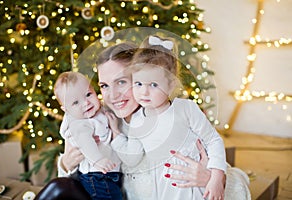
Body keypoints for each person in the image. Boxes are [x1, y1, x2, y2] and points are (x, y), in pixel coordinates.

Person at [36, 41, 250, 200]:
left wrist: (213, 178)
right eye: (104, 86)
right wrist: (65, 163)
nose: (112, 96)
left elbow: (238, 181)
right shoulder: (100, 120)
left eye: (121, 82)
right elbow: (76, 179)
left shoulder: (174, 118)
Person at [110, 35, 226, 200]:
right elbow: (132, 157)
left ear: (171, 85)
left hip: (193, 185)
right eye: (138, 83)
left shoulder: (185, 109)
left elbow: (213, 140)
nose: (144, 92)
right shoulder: (138, 120)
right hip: (163, 187)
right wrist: (115, 134)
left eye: (154, 85)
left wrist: (216, 177)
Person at [53, 71, 123, 200]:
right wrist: (98, 160)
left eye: (88, 94)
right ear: (66, 110)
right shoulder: (79, 124)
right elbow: (86, 143)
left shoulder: (99, 111)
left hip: (108, 172)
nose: (86, 103)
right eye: (75, 103)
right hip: (97, 176)